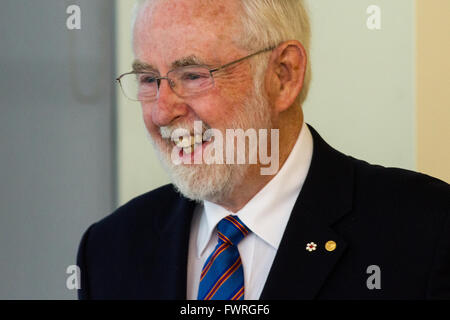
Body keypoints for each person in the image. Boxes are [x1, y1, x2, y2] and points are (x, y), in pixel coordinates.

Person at [77, 0, 450, 300]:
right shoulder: (109, 250)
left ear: (283, 75)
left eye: (192, 75)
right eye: (148, 80)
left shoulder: (427, 232)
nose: (161, 110)